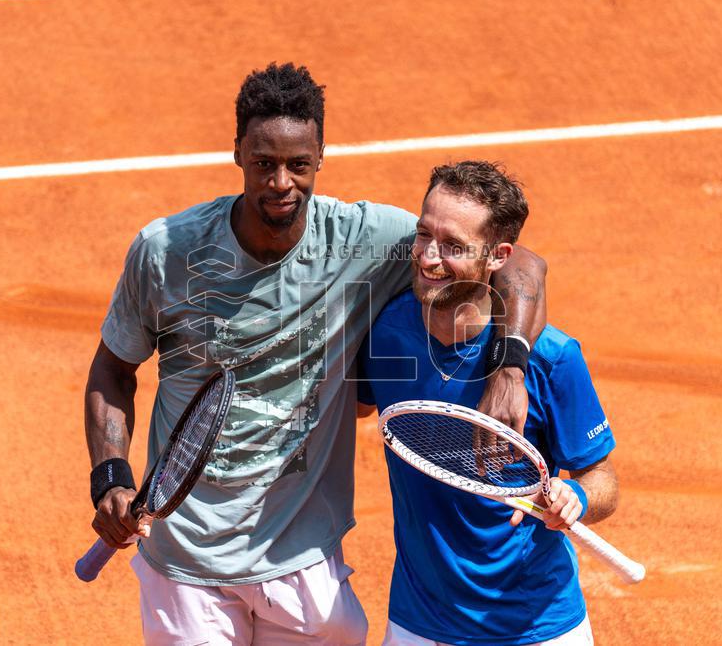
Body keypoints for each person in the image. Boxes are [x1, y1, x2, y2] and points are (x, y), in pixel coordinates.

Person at [84, 64, 548, 644]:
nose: (281, 182)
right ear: (237, 154)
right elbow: (112, 367)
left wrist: (508, 367)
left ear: (321, 156)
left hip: (303, 556)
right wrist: (110, 475)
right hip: (189, 556)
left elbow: (520, 264)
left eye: (298, 164)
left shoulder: (366, 240)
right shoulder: (166, 251)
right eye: (264, 163)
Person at [356, 161, 619, 646]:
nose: (429, 258)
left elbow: (601, 479)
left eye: (454, 246)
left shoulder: (553, 359)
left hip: (535, 627)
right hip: (419, 621)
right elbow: (355, 407)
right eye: (423, 235)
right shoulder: (384, 335)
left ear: (497, 256)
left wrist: (575, 498)